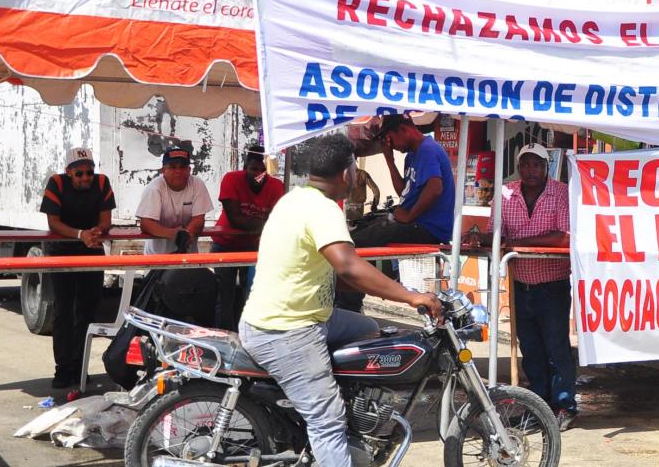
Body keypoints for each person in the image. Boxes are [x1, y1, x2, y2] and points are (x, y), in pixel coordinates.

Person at [239, 134, 442, 467]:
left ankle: (353, 411)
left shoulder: (295, 199)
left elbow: (339, 272)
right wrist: (411, 296)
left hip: (298, 316)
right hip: (288, 331)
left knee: (367, 328)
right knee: (327, 419)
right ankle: (330, 424)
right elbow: (350, 267)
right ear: (347, 173)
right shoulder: (322, 210)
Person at [463, 142, 577, 431]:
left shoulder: (560, 193)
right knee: (530, 350)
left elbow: (563, 238)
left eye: (536, 164)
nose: (530, 170)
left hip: (551, 283)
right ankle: (538, 407)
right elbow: (494, 234)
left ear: (546, 167)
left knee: (557, 348)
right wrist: (480, 239)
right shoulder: (504, 193)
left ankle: (564, 406)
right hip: (519, 283)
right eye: (525, 164)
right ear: (518, 166)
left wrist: (517, 245)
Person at [39, 147, 116, 388]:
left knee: (87, 311)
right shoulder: (56, 183)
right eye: (80, 173)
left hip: (91, 248)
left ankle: (80, 366)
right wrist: (80, 234)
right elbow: (53, 222)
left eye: (89, 173)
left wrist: (96, 233)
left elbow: (106, 219)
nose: (85, 178)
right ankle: (63, 369)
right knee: (63, 311)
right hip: (61, 250)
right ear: (69, 172)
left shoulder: (102, 183)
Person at [351, 114, 455, 247]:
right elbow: (404, 193)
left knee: (372, 235)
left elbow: (435, 188)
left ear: (403, 130)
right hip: (415, 223)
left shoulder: (427, 150)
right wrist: (390, 160)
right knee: (364, 226)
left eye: (391, 139)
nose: (391, 145)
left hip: (429, 228)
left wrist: (409, 216)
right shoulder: (411, 156)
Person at [211, 145, 284, 330]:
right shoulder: (231, 179)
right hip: (225, 244)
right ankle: (224, 334)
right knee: (223, 295)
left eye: (262, 170)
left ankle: (249, 334)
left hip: (255, 247)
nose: (258, 174)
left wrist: (262, 227)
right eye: (254, 169)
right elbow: (235, 219)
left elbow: (277, 219)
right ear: (245, 167)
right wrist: (264, 226)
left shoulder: (276, 186)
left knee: (253, 294)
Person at [135, 147, 214, 255]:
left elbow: (199, 220)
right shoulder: (154, 188)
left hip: (188, 255)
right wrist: (175, 234)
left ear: (189, 170)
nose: (178, 171)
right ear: (163, 170)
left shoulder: (197, 184)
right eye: (172, 167)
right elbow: (146, 224)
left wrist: (187, 234)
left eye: (183, 167)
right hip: (157, 256)